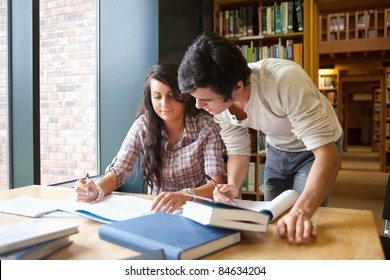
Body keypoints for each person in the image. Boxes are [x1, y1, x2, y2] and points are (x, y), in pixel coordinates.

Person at [178, 32, 343, 245]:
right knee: (272, 219)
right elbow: (237, 148)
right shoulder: (218, 98)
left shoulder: (285, 80)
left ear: (237, 87)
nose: (199, 106)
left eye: (205, 99)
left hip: (317, 151)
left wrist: (302, 211)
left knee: (300, 219)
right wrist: (233, 185)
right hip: (277, 146)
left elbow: (326, 155)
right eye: (195, 98)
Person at [74, 61, 225, 213]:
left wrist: (184, 196)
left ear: (185, 95)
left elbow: (216, 184)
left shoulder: (206, 128)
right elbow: (117, 173)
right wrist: (96, 190)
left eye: (172, 95)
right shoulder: (143, 126)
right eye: (157, 96)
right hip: (157, 212)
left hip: (197, 210)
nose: (164, 103)